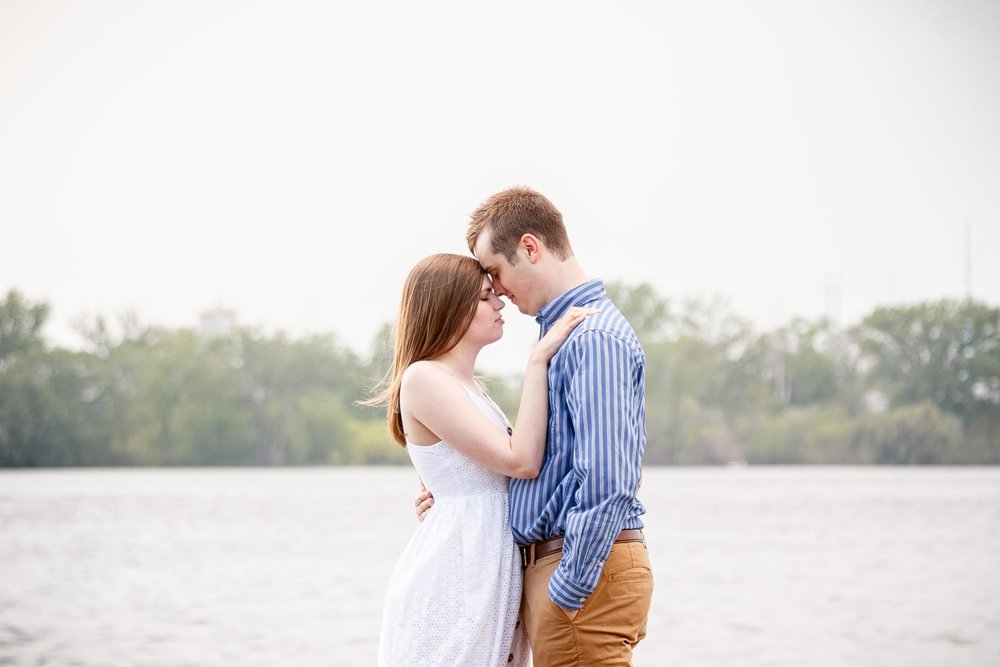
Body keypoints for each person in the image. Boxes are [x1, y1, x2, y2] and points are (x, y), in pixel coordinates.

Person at [416, 187, 653, 666]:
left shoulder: (593, 339)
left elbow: (608, 476)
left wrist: (570, 586)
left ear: (530, 248)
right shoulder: (565, 335)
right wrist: (454, 490)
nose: (498, 290)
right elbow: (550, 462)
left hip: (579, 568)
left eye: (497, 274)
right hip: (562, 566)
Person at [368, 253, 596, 666]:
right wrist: (538, 359)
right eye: (486, 297)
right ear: (451, 308)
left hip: (485, 559)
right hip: (458, 569)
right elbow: (521, 460)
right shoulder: (424, 377)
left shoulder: (469, 385)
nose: (500, 304)